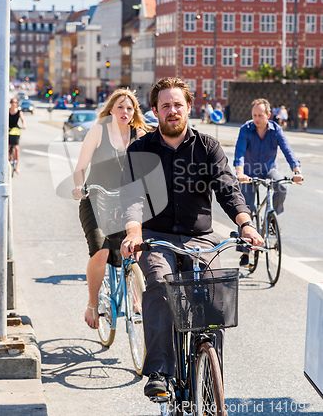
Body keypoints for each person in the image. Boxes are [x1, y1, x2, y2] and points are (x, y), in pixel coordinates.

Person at [120, 77, 264, 397]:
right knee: (159, 283)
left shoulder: (207, 146)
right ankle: (160, 371)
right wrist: (133, 233)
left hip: (199, 238)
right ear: (156, 111)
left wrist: (246, 225)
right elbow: (131, 199)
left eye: (178, 105)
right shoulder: (141, 149)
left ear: (189, 108)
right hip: (155, 236)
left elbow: (228, 190)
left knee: (213, 298)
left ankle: (212, 377)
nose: (173, 111)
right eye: (166, 106)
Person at [72, 89, 147, 329]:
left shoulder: (140, 135)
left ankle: (137, 298)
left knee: (136, 249)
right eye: (120, 107)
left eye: (130, 108)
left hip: (127, 202)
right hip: (96, 198)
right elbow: (80, 167)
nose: (125, 111)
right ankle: (92, 303)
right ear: (111, 110)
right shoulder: (98, 131)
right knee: (101, 251)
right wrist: (78, 187)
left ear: (134, 112)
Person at [233, 98, 303, 266]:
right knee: (245, 209)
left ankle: (272, 218)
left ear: (268, 115)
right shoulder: (246, 129)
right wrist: (240, 173)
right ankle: (244, 251)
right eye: (254, 115)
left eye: (260, 115)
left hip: (268, 170)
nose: (256, 119)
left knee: (281, 186)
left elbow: (287, 150)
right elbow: (240, 152)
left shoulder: (276, 130)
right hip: (248, 173)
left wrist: (296, 170)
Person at [9, 98, 26, 174]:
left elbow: (23, 120)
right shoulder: (7, 111)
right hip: (8, 130)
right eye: (12, 102)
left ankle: (16, 166)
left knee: (16, 148)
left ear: (17, 103)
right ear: (10, 103)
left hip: (15, 131)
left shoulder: (19, 112)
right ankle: (8, 160)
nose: (13, 103)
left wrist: (24, 125)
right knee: (8, 146)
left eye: (15, 102)